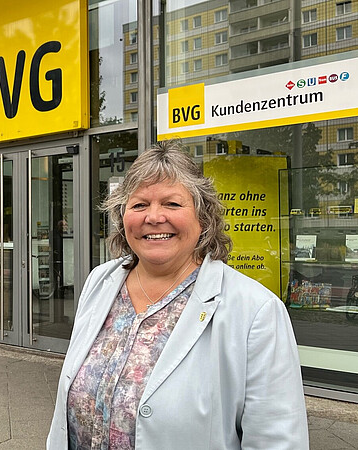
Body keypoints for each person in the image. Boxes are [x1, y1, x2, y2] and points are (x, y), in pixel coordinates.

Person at [47, 141, 308, 449]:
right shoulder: (100, 282)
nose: (154, 217)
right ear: (122, 216)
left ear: (203, 217)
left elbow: (276, 440)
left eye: (172, 204)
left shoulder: (256, 311)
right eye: (139, 204)